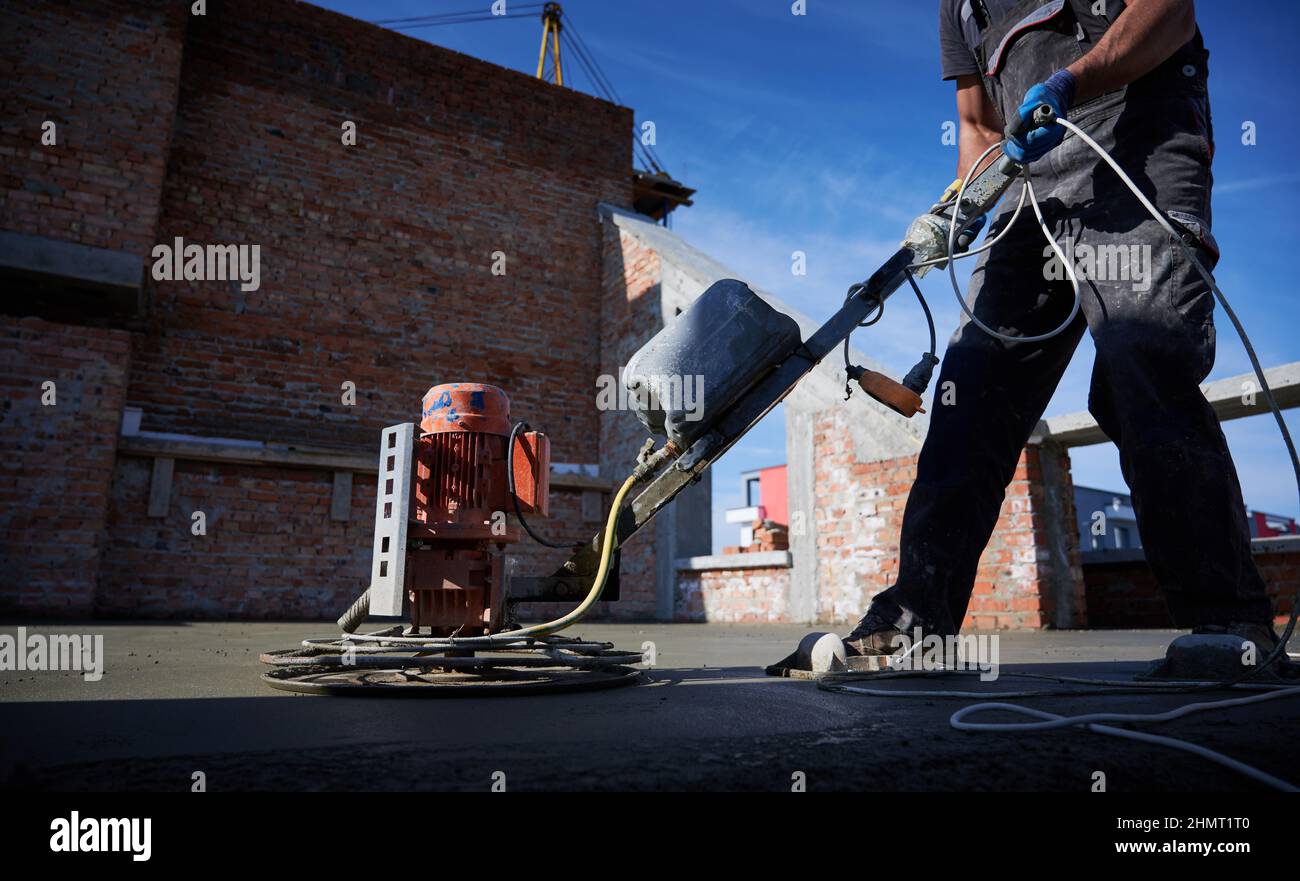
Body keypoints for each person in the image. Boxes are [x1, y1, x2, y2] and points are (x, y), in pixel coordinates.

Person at [844, 0, 1282, 659]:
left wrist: (1073, 82)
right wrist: (963, 205)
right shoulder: (959, 7)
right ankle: (915, 620)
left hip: (1139, 144)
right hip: (1028, 187)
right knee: (970, 395)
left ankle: (1228, 624)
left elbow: (1171, 12)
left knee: (1142, 360)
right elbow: (976, 122)